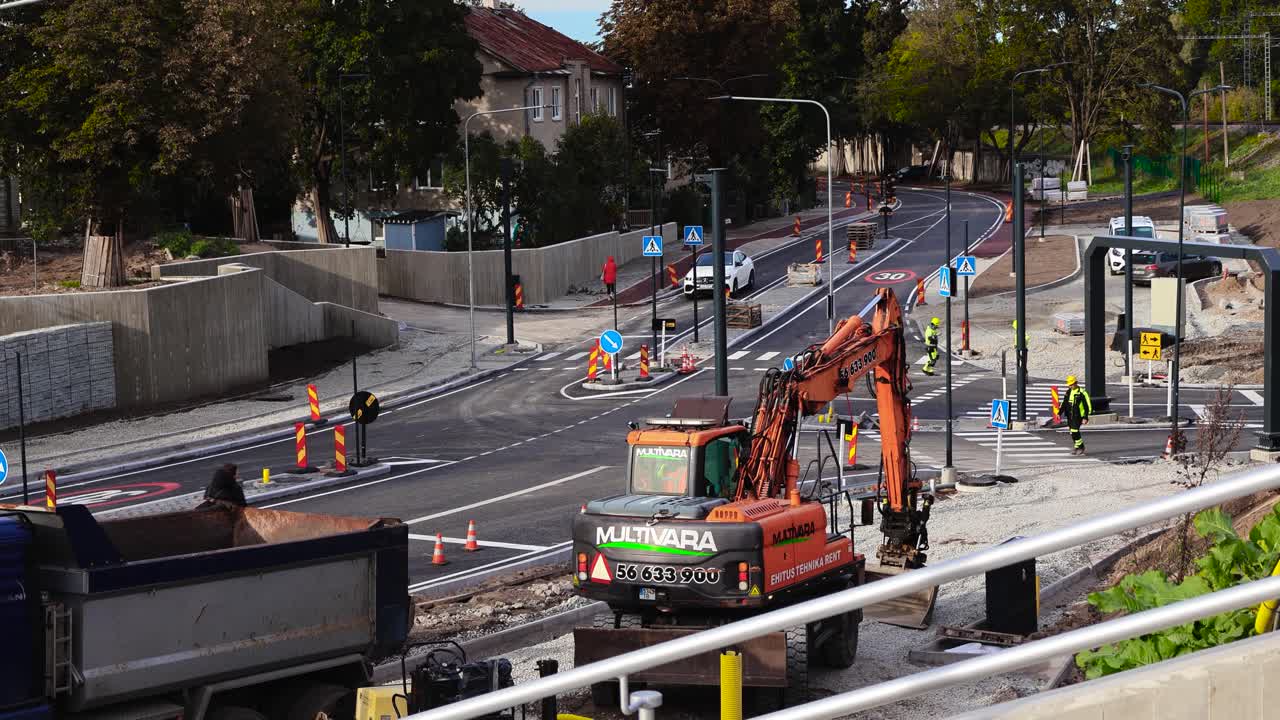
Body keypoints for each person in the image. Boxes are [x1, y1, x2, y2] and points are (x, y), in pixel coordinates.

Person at [1065, 375, 1092, 455]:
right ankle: (1077, 446)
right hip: (1070, 415)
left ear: (1076, 383)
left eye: (1072, 384)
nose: (1070, 386)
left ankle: (1081, 447)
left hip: (1079, 415)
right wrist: (1059, 413)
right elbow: (1065, 403)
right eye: (1069, 385)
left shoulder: (1082, 393)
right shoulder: (1069, 391)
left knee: (1075, 431)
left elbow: (1088, 405)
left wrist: (1085, 417)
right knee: (1072, 432)